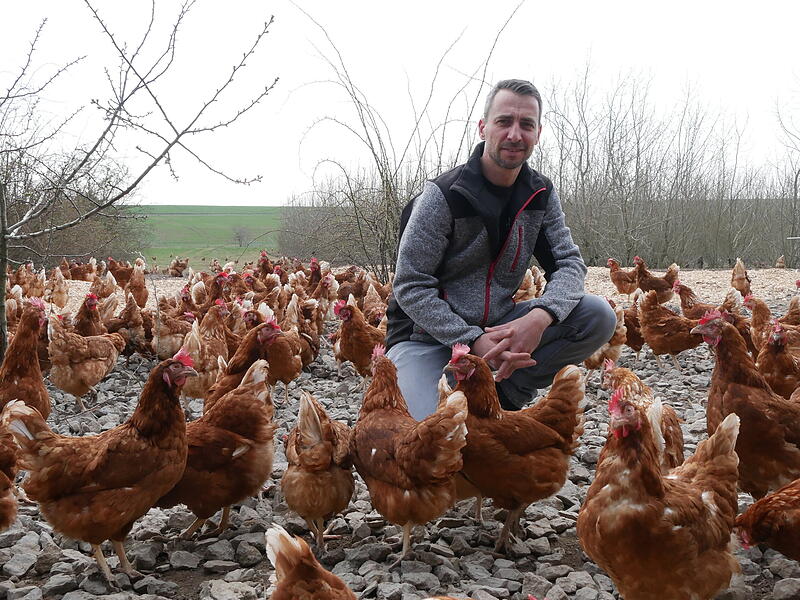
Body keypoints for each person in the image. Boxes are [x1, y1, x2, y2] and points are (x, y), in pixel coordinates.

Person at [385, 78, 617, 420]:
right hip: (427, 340)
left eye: (526, 125)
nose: (514, 134)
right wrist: (471, 339)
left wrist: (540, 318)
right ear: (483, 127)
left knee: (597, 315)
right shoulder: (443, 197)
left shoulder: (539, 195)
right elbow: (410, 285)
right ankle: (457, 389)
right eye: (504, 121)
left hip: (499, 328)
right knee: (426, 436)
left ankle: (504, 394)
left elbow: (569, 263)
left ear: (538, 133)